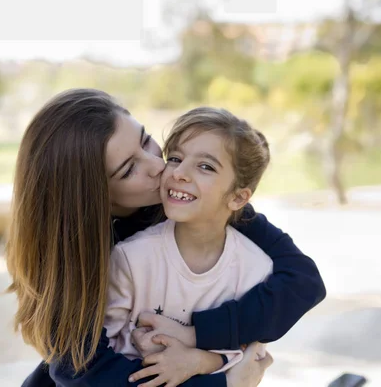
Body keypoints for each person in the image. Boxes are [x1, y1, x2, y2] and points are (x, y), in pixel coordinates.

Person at [6, 89, 326, 387]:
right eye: (130, 169)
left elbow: (302, 282)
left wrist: (198, 335)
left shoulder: (195, 208)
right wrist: (222, 384)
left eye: (146, 142)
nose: (160, 167)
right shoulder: (70, 257)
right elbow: (89, 375)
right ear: (91, 196)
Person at [105, 107, 282, 387]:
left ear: (238, 198)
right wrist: (145, 347)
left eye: (205, 166)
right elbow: (106, 342)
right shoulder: (129, 258)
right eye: (175, 158)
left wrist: (200, 360)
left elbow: (251, 355)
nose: (179, 173)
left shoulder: (256, 269)